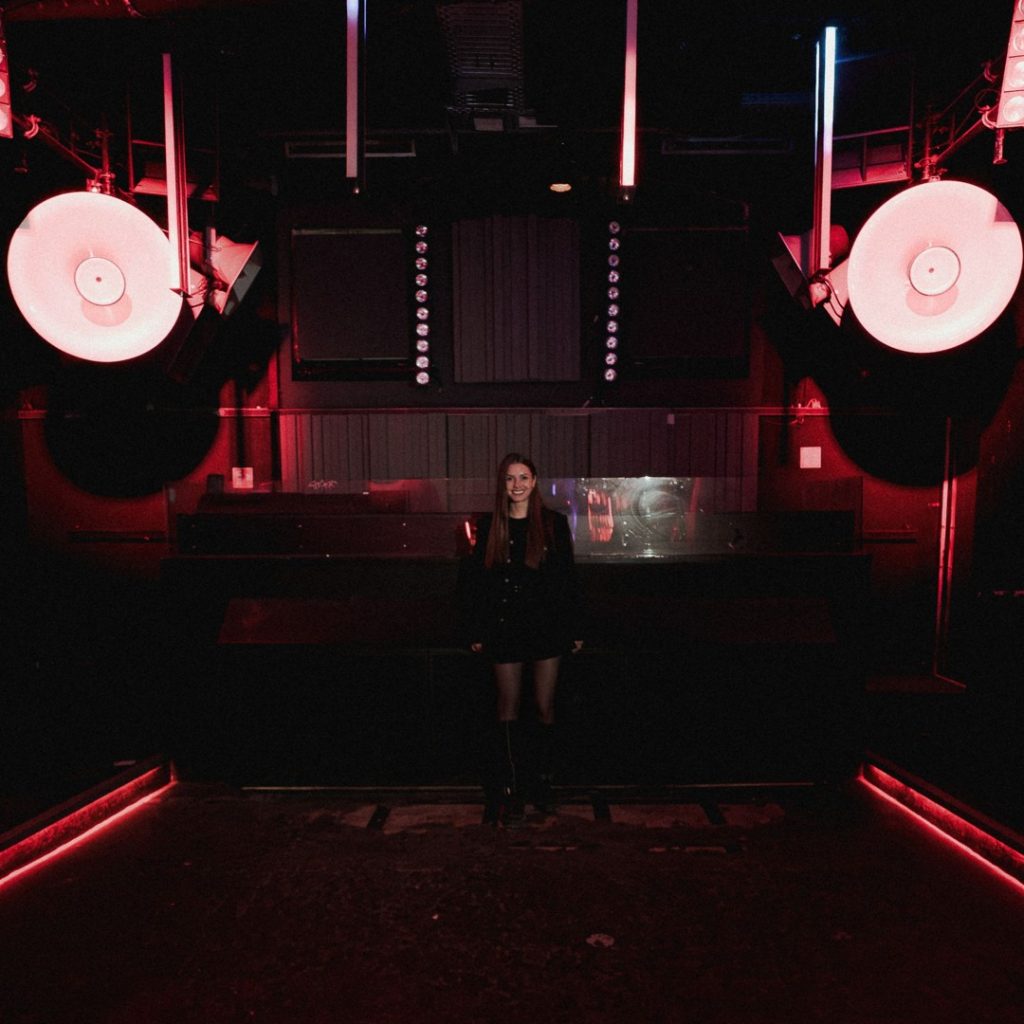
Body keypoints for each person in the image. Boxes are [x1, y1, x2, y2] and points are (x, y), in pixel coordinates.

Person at [458, 452, 584, 825]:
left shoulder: (553, 524)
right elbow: (476, 584)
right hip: (504, 628)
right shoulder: (490, 525)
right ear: (503, 484)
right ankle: (511, 790)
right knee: (507, 707)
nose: (517, 485)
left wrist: (575, 629)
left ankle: (541, 784)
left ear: (534, 481)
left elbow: (567, 579)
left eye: (523, 477)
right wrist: (476, 630)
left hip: (546, 627)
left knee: (545, 707)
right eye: (510, 478)